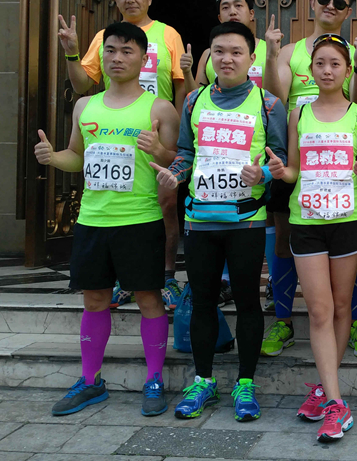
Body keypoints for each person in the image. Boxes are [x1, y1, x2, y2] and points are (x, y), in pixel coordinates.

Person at [37, 22, 180, 417]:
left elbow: (176, 161)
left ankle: (154, 380)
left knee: (149, 299)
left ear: (144, 59)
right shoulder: (86, 106)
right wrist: (53, 158)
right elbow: (76, 156)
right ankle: (90, 381)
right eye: (111, 50)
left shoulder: (159, 109)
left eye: (127, 51)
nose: (117, 58)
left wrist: (159, 150)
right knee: (95, 299)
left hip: (140, 219)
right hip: (93, 220)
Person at [151, 22, 288, 421]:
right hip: (200, 222)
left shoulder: (268, 105)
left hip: (247, 222)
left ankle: (245, 383)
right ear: (209, 57)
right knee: (202, 302)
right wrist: (174, 174)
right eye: (219, 52)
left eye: (236, 52)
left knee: (247, 302)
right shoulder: (193, 101)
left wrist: (262, 173)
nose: (227, 59)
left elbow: (279, 160)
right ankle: (204, 381)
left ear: (251, 58)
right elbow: (185, 154)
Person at [57, 0, 190, 310]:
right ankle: (122, 281)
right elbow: (82, 84)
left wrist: (177, 137)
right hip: (113, 135)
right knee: (117, 208)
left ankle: (166, 277)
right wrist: (72, 53)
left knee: (165, 207)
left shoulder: (168, 34)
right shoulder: (105, 37)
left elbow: (180, 86)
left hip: (153, 134)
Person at [262, 0, 357, 359]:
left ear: (348, 11)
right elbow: (274, 98)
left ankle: (354, 320)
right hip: (299, 158)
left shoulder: (353, 52)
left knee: (348, 240)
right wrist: (271, 57)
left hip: (342, 165)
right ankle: (282, 319)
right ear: (312, 3)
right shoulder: (291, 52)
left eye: (339, 2)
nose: (330, 5)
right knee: (284, 241)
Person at [268, 34, 357, 442]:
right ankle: (336, 402)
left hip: (348, 220)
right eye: (320, 64)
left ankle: (325, 389)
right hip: (307, 221)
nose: (327, 70)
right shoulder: (298, 113)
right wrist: (283, 173)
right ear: (310, 70)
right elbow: (295, 169)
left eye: (335, 64)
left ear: (347, 71)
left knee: (342, 306)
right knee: (318, 310)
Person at [195, 0, 283, 307]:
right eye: (226, 6)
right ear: (219, 15)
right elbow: (198, 95)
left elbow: (277, 97)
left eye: (239, 5)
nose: (232, 11)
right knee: (224, 211)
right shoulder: (209, 54)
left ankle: (271, 279)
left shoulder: (267, 46)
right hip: (219, 145)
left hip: (258, 143)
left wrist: (271, 57)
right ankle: (226, 281)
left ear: (251, 13)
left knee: (267, 214)